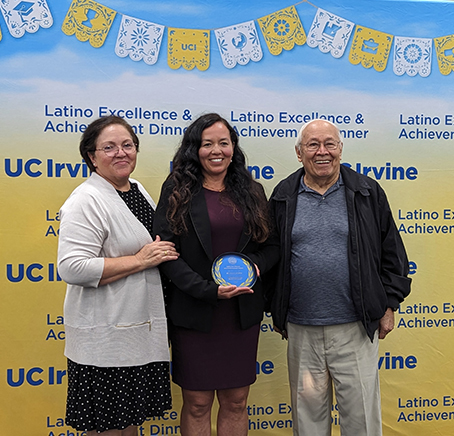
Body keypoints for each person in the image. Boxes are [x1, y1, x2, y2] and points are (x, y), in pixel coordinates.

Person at [268, 119, 412, 436]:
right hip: (301, 328)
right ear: (298, 152)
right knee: (308, 423)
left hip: (356, 327)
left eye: (329, 143)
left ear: (340, 149)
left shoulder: (367, 192)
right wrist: (275, 307)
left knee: (361, 420)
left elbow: (393, 254)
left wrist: (389, 304)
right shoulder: (283, 195)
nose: (323, 152)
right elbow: (270, 256)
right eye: (313, 144)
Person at [153, 113, 279, 436]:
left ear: (233, 148)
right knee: (196, 403)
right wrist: (208, 290)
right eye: (207, 143)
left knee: (236, 401)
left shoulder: (252, 191)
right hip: (195, 311)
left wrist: (253, 268)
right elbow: (165, 252)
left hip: (239, 315)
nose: (216, 150)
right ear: (195, 149)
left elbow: (272, 248)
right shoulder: (177, 189)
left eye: (224, 143)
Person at [57, 115, 179, 436]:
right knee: (108, 428)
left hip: (135, 334)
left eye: (127, 145)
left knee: (129, 425)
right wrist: (139, 260)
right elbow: (72, 267)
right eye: (108, 147)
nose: (120, 153)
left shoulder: (136, 190)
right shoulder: (85, 201)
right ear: (91, 157)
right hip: (105, 342)